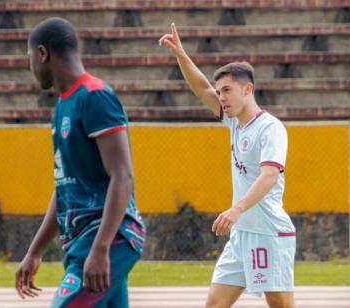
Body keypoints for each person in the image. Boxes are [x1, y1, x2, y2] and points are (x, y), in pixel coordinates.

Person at [159, 23, 296, 308]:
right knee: (214, 304)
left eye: (227, 90)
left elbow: (269, 176)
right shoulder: (234, 122)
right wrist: (182, 56)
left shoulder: (270, 128)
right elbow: (202, 89)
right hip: (241, 234)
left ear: (248, 89)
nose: (220, 97)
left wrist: (236, 209)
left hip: (268, 232)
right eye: (220, 91)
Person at [15, 17, 145, 308]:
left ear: (42, 54)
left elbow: (122, 176)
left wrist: (101, 248)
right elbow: (65, 187)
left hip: (108, 237)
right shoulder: (63, 105)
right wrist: (35, 251)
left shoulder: (95, 96)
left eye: (29, 58)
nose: (30, 68)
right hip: (82, 242)